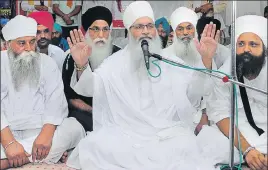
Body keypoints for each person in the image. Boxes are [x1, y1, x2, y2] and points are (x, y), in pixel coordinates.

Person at [66, 1, 220, 169]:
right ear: (129, 31)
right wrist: (81, 65)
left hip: (166, 133)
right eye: (139, 26)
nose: (146, 31)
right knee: (92, 145)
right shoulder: (114, 63)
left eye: (149, 26)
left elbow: (194, 95)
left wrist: (206, 60)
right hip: (126, 132)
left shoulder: (171, 62)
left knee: (186, 145)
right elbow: (90, 88)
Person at [0, 15, 85, 170]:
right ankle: (33, 156)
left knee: (75, 128)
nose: (28, 48)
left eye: (32, 42)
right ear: (7, 44)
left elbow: (56, 102)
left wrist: (46, 135)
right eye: (21, 43)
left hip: (40, 132)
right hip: (4, 133)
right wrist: (9, 143)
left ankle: (7, 161)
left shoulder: (47, 63)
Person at [197, 15, 267, 170]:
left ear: (265, 48)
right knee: (207, 142)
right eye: (241, 44)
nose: (246, 49)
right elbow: (219, 111)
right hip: (239, 130)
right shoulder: (227, 71)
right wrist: (247, 149)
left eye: (253, 44)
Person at [163, 7, 230, 135]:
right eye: (180, 29)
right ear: (174, 32)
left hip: (201, 117)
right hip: (170, 119)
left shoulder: (203, 54)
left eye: (189, 28)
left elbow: (212, 90)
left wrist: (204, 115)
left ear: (194, 30)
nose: (185, 33)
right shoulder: (164, 57)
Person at [62, 6, 120, 132]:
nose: (101, 35)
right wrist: (95, 111)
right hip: (83, 117)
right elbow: (70, 97)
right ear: (86, 31)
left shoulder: (119, 55)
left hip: (115, 117)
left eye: (105, 29)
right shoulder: (72, 57)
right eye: (95, 29)